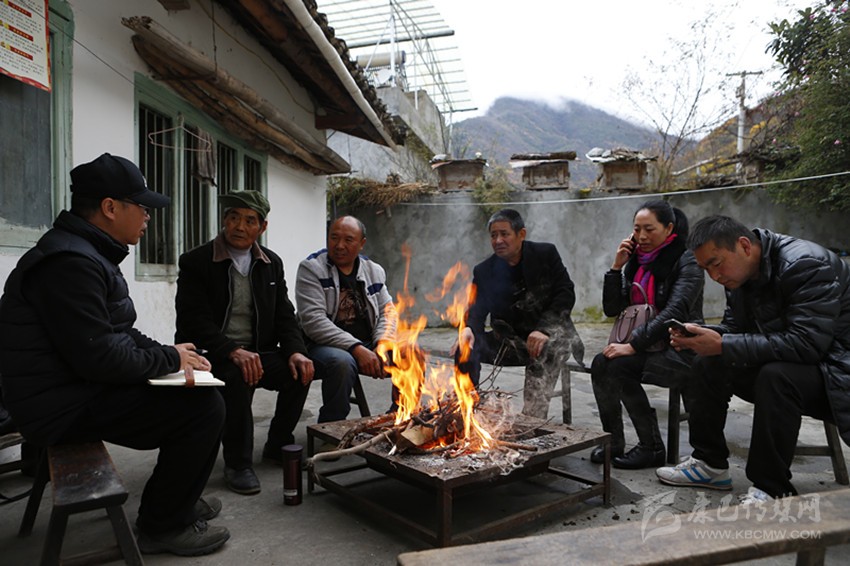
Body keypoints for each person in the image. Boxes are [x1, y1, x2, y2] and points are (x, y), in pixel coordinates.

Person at [0, 153, 229, 556]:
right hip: (59, 407)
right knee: (202, 408)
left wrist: (169, 353)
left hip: (73, 388)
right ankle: (162, 524)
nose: (148, 217)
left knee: (200, 393)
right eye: (142, 207)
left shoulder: (87, 252)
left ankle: (177, 499)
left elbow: (116, 332)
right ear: (110, 207)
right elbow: (101, 357)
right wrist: (169, 362)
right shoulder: (70, 263)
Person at [656, 215, 850, 503]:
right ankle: (710, 464)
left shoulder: (806, 264)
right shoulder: (739, 275)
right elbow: (735, 330)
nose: (714, 276)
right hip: (798, 363)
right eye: (706, 268)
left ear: (745, 246)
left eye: (716, 263)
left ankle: (772, 488)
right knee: (708, 362)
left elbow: (808, 344)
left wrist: (723, 344)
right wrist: (704, 336)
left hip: (837, 370)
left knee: (776, 376)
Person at [175, 190, 313, 496]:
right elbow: (192, 321)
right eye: (234, 217)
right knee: (236, 377)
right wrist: (232, 351)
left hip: (258, 350)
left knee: (299, 372)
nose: (240, 226)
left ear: (262, 227)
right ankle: (238, 464)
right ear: (224, 220)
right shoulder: (197, 261)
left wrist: (296, 352)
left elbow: (284, 314)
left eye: (250, 220)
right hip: (210, 353)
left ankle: (277, 445)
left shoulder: (270, 263)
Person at [590, 200, 704, 469]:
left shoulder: (687, 260)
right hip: (649, 347)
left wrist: (633, 345)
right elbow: (612, 309)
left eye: (649, 229)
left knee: (618, 367)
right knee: (601, 363)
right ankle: (613, 441)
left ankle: (651, 447)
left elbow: (675, 311)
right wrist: (616, 268)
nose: (641, 236)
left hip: (681, 348)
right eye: (637, 229)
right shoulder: (635, 263)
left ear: (669, 228)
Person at [455, 208, 579, 418]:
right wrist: (468, 329)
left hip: (550, 337)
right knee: (464, 347)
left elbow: (565, 293)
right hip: (509, 342)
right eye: (493, 235)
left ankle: (532, 420)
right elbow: (476, 310)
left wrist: (544, 329)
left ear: (521, 234)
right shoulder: (484, 270)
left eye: (504, 234)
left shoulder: (545, 255)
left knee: (545, 351)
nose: (498, 240)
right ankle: (469, 412)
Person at [295, 216, 397, 423]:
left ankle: (399, 415)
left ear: (362, 243)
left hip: (366, 342)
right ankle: (331, 425)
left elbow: (388, 311)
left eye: (348, 240)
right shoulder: (311, 269)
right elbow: (314, 322)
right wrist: (357, 349)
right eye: (334, 238)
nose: (339, 245)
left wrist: (382, 342)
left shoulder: (373, 270)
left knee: (411, 353)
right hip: (320, 344)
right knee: (342, 362)